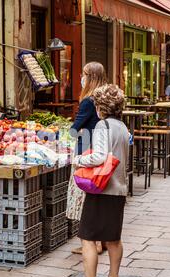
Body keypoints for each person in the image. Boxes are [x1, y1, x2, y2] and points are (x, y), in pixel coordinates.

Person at [67, 84, 130, 277]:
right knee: (113, 238)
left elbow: (100, 157)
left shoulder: (103, 125)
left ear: (99, 106)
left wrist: (78, 160)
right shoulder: (122, 126)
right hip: (119, 188)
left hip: (103, 190)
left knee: (87, 238)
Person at [66, 62, 107, 255]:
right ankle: (103, 240)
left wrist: (71, 131)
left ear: (90, 77)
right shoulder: (104, 97)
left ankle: (94, 243)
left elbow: (76, 129)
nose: (80, 78)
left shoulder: (88, 101)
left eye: (83, 74)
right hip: (101, 149)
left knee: (86, 197)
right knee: (97, 197)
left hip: (87, 152)